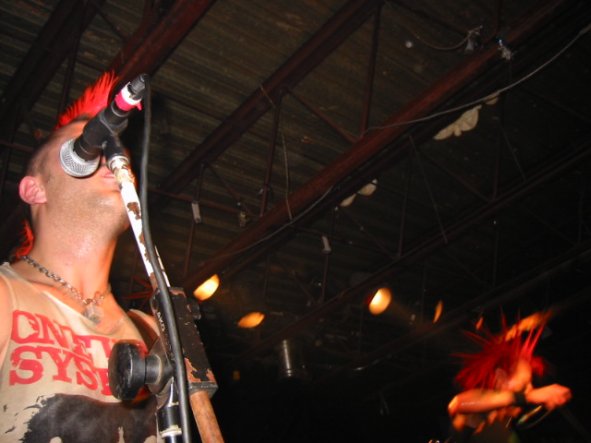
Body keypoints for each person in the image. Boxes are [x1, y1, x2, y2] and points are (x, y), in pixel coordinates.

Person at [0, 73, 160, 442]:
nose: (110, 155)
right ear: (34, 190)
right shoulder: (7, 296)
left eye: (116, 149)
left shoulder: (153, 333)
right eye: (85, 145)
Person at [447, 314, 572, 442]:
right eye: (524, 384)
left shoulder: (505, 425)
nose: (530, 388)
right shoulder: (476, 417)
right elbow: (458, 404)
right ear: (500, 376)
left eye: (530, 383)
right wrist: (527, 397)